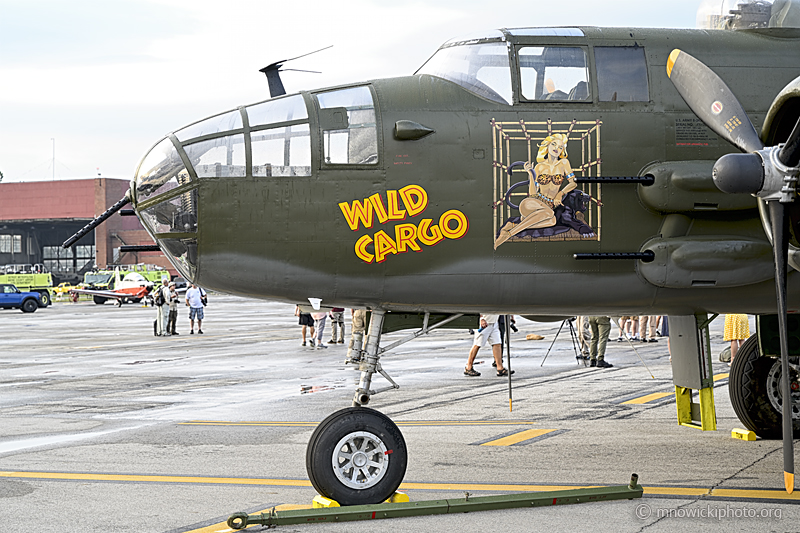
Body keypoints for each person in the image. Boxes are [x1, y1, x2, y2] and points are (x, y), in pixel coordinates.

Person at [494, 134, 595, 249]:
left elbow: (573, 183)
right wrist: (531, 175)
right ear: (547, 146)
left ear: (563, 150)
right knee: (550, 214)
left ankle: (511, 225)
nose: (557, 148)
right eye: (554, 144)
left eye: (561, 147)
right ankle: (509, 233)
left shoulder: (564, 163)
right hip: (531, 204)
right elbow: (533, 193)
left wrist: (560, 193)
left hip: (548, 208)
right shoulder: (539, 166)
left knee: (552, 221)